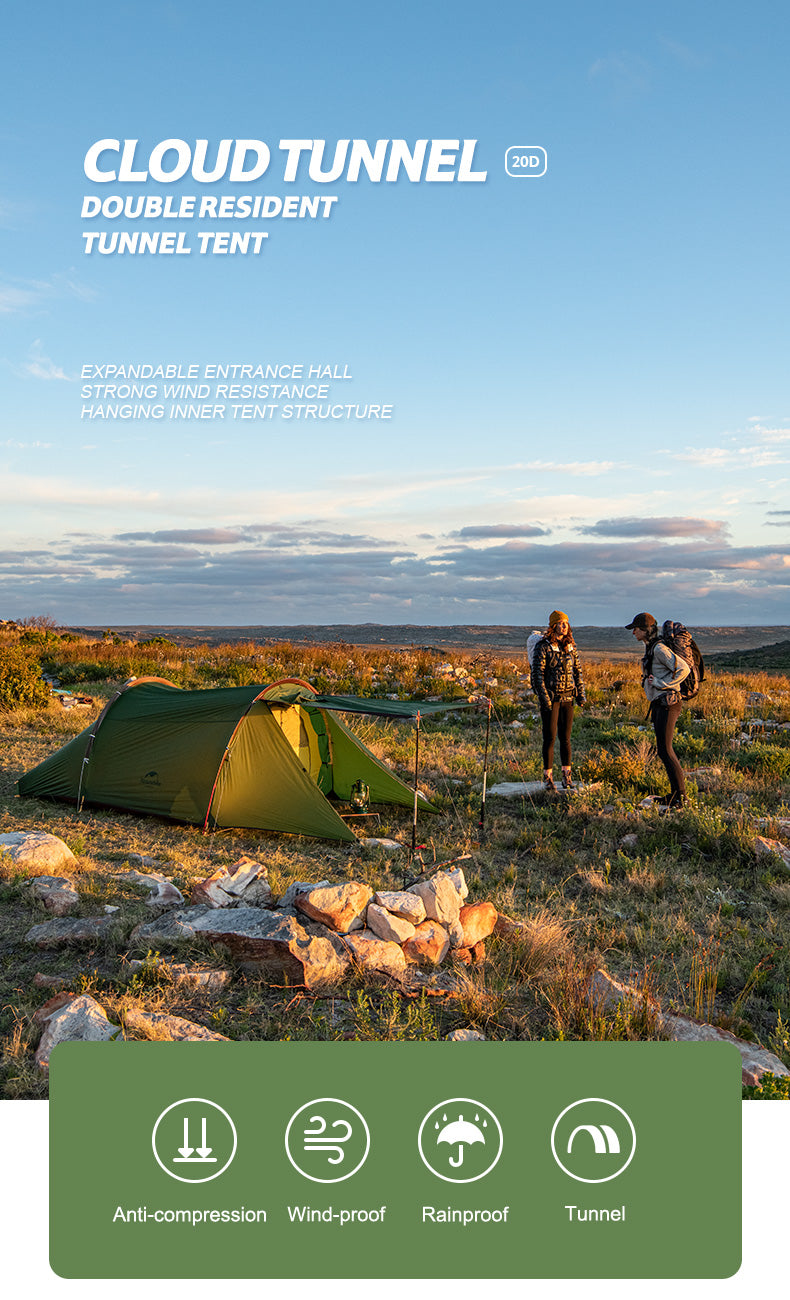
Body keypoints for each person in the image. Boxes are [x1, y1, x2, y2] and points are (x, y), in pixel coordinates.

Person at [625, 612, 690, 809]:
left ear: (646, 630)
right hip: (661, 703)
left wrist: (663, 684)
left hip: (668, 703)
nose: (633, 632)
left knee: (666, 750)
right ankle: (676, 796)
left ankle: (681, 798)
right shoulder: (651, 648)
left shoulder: (659, 649)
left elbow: (684, 669)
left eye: (636, 628)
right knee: (663, 750)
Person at [533, 610, 586, 792]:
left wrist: (581, 695)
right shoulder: (543, 646)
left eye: (566, 623)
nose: (564, 626)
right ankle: (548, 777)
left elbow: (577, 672)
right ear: (553, 625)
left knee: (566, 738)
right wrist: (545, 699)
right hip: (552, 699)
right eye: (561, 623)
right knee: (549, 738)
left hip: (568, 698)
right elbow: (537, 676)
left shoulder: (571, 647)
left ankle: (566, 776)